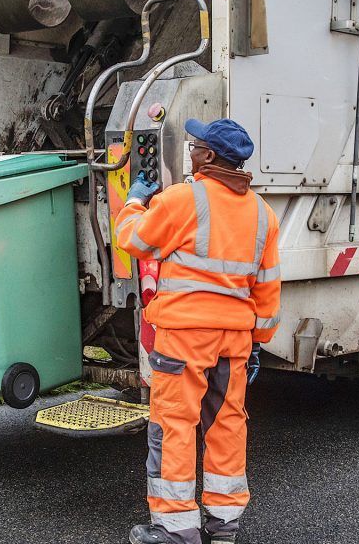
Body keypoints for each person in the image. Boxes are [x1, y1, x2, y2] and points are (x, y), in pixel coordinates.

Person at [117, 119, 282, 544]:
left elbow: (133, 240)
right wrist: (257, 343)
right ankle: (223, 527)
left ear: (209, 157)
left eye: (195, 146)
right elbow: (267, 289)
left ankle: (175, 530)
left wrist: (134, 202)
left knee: (174, 427)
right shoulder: (263, 215)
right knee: (227, 427)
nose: (190, 151)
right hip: (234, 342)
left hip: (184, 339)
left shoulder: (182, 199)